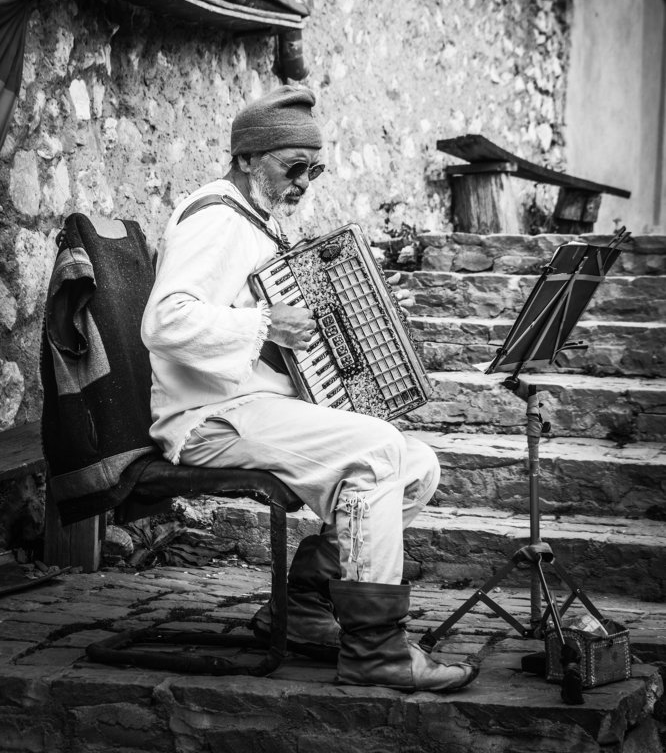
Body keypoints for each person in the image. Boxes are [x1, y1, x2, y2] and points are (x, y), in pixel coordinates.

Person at [141, 85, 478, 693]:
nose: (304, 181)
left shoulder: (257, 222)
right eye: (292, 166)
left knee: (416, 464)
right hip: (206, 419)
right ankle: (376, 652)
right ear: (247, 158)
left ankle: (303, 607)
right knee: (377, 451)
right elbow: (163, 323)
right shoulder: (216, 219)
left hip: (250, 405)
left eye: (313, 169)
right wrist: (265, 324)